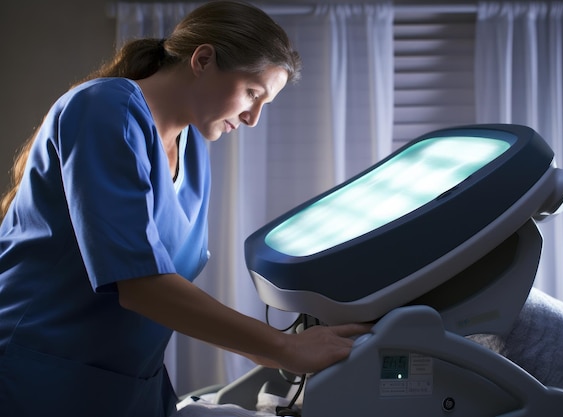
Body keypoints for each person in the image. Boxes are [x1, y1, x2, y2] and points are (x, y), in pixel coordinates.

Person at [0, 2, 369, 416]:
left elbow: (164, 292)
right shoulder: (105, 108)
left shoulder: (192, 153)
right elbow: (141, 284)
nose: (252, 118)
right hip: (39, 376)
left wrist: (270, 352)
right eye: (252, 93)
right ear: (203, 59)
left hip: (127, 386)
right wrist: (282, 347)